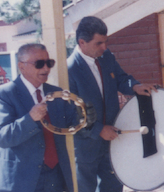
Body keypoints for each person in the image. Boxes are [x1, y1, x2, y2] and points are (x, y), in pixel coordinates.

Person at [67, 16, 158, 192]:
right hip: (85, 146)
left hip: (113, 142)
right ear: (82, 42)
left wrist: (135, 86)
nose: (105, 47)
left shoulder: (106, 57)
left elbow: (121, 79)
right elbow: (71, 113)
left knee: (114, 187)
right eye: (99, 43)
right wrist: (98, 129)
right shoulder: (69, 69)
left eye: (105, 42)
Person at [0, 43, 77, 191]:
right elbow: (2, 137)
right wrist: (30, 119)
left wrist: (86, 117)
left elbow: (74, 124)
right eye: (39, 64)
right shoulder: (4, 94)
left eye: (49, 63)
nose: (46, 68)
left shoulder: (56, 93)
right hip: (21, 180)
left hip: (55, 176)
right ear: (21, 66)